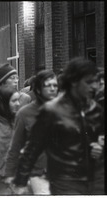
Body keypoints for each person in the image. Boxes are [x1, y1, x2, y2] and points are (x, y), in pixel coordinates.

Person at [11, 57, 104, 195]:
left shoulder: (95, 109)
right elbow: (32, 148)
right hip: (65, 181)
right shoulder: (52, 111)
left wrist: (100, 147)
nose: (94, 87)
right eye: (89, 82)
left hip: (95, 179)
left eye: (96, 82)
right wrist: (20, 181)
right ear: (74, 82)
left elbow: (99, 138)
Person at [4, 70, 58, 195]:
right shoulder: (24, 113)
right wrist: (10, 174)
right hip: (39, 175)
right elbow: (15, 146)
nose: (52, 89)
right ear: (38, 89)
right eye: (47, 85)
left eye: (55, 85)